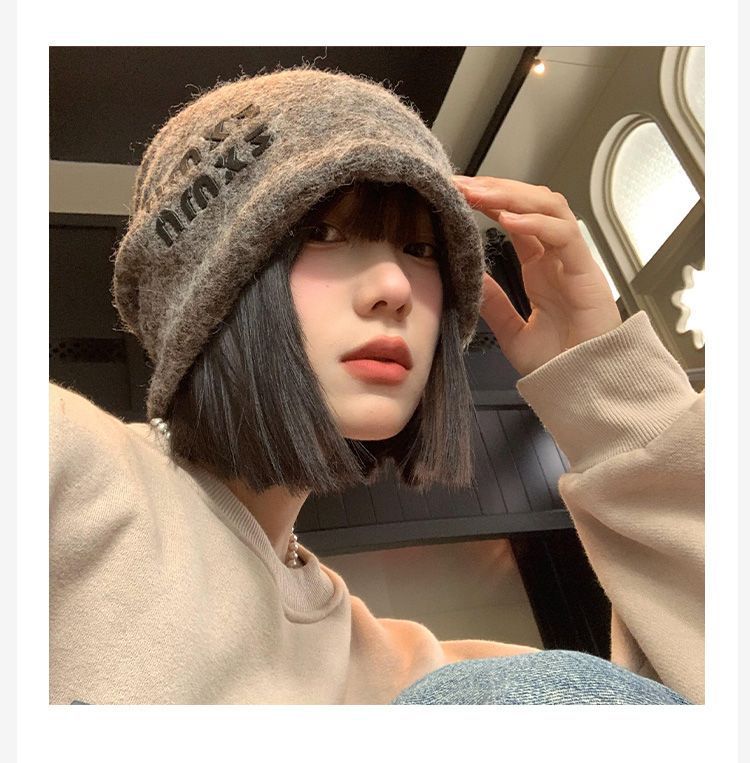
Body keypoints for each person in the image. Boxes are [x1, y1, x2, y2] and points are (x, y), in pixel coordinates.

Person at [49, 66, 704, 705]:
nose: (395, 288)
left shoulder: (412, 677)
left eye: (421, 250)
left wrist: (608, 403)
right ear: (203, 290)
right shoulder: (64, 465)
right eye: (323, 233)